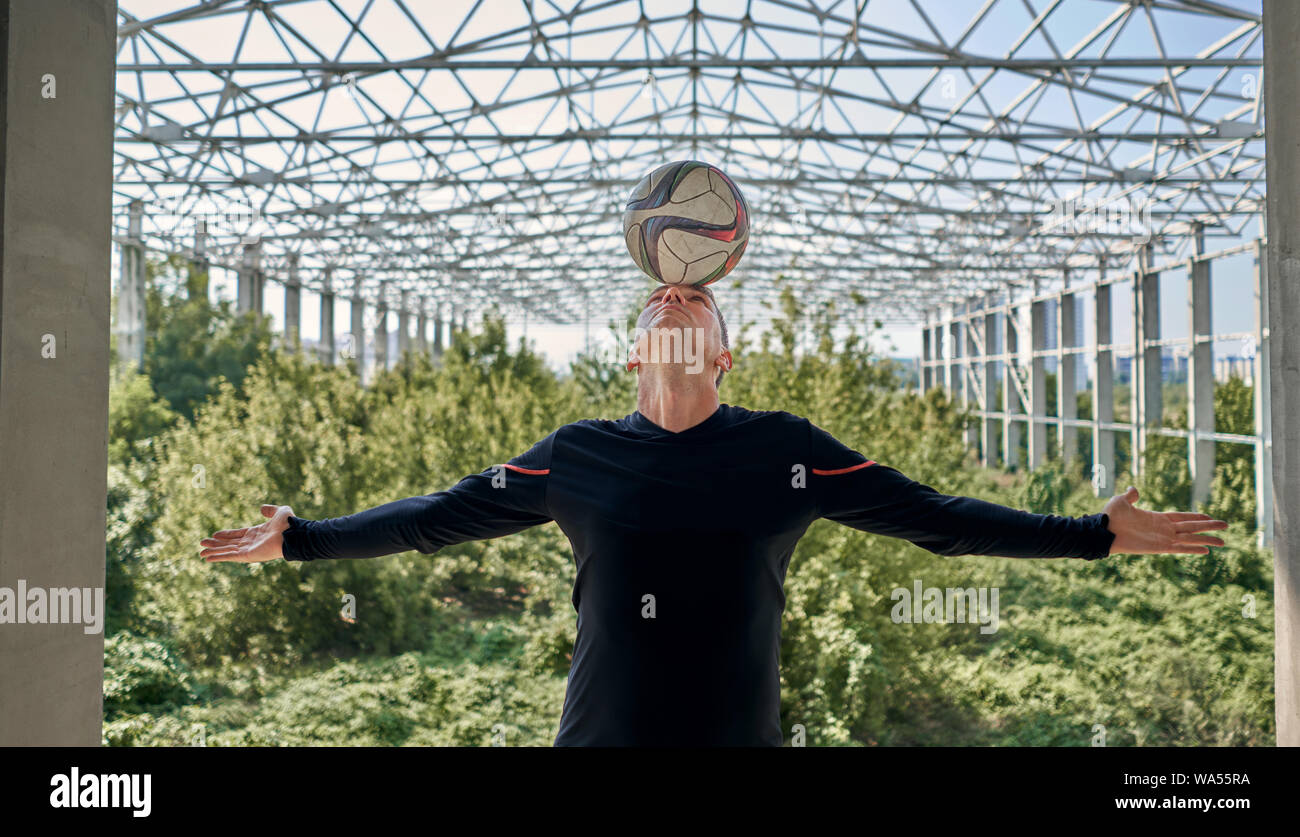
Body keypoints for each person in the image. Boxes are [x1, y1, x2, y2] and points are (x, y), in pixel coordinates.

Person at [199, 282, 1227, 747]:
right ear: (635, 355)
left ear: (724, 355)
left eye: (697, 304)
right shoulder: (576, 456)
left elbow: (936, 518)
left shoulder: (786, 449)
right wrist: (303, 540)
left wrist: (1092, 533)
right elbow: (439, 517)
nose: (675, 302)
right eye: (656, 307)